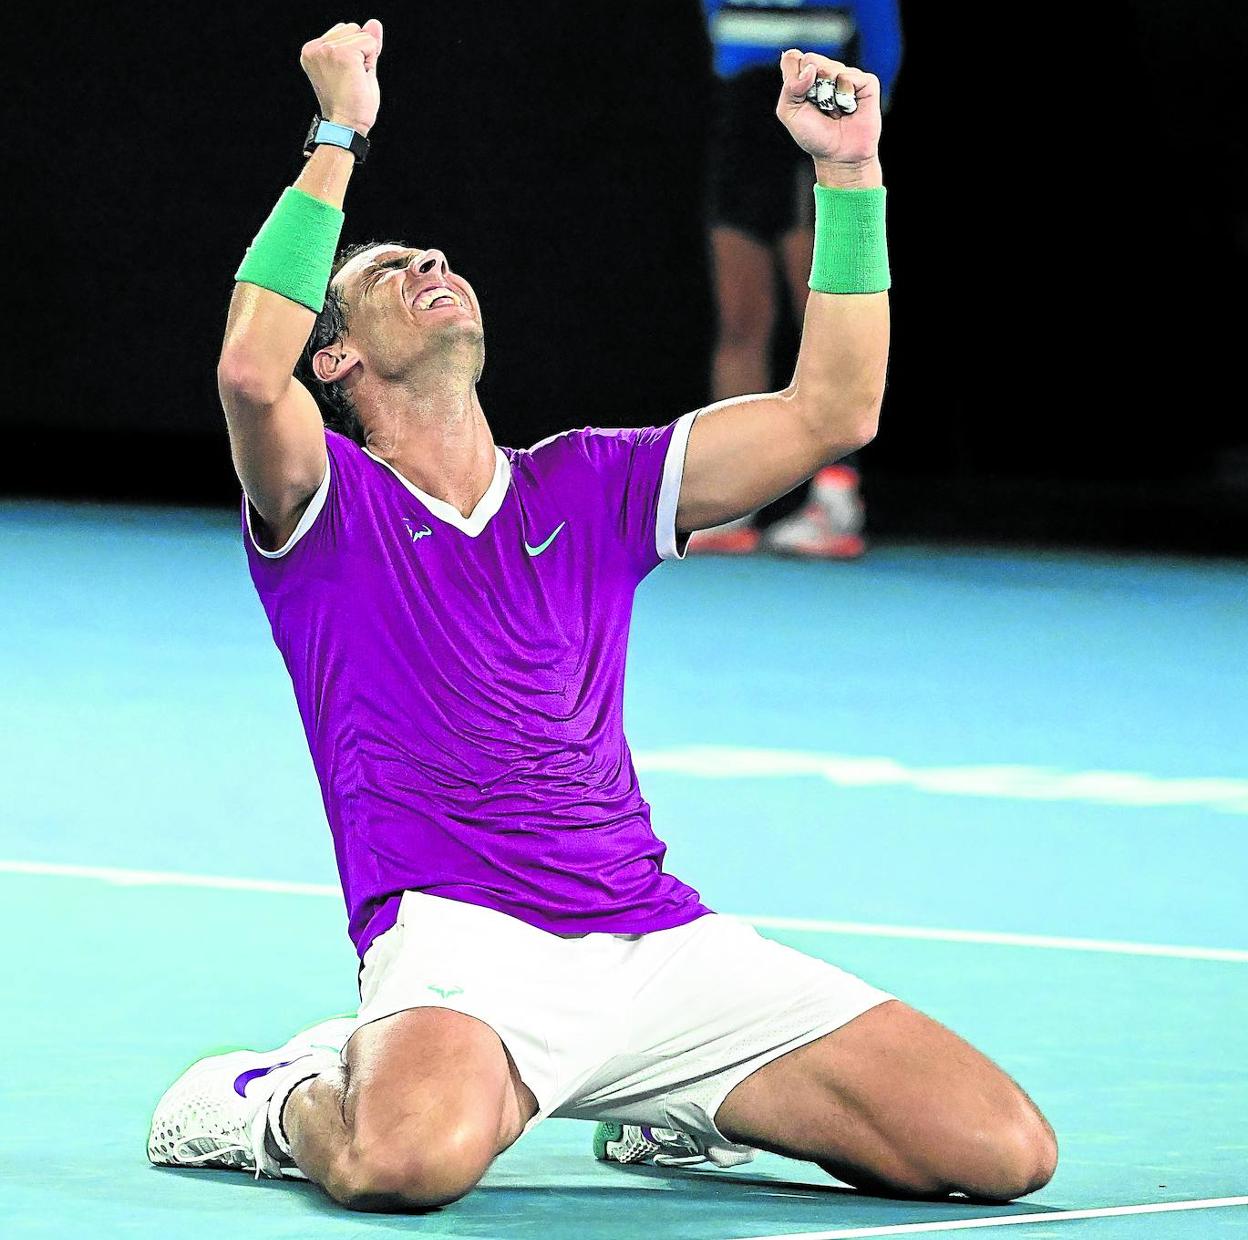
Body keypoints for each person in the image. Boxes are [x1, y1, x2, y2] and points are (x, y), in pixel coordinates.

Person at [146, 18, 1056, 1213]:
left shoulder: (592, 484)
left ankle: (666, 1107)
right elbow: (246, 372)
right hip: (462, 943)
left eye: (436, 256)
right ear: (340, 365)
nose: (430, 264)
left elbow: (835, 408)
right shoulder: (327, 503)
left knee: (1000, 1149)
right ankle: (285, 1093)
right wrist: (339, 135)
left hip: (659, 940)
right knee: (403, 1164)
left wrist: (848, 172)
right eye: (386, 273)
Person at [693, 0, 902, 557]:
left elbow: (883, 40)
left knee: (826, 313)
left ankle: (836, 497)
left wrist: (858, 142)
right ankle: (732, 499)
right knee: (740, 320)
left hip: (813, 116)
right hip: (738, 121)